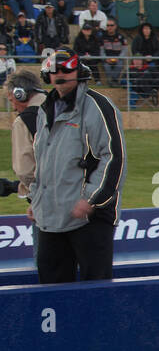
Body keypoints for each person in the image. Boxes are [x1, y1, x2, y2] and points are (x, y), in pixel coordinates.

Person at [28, 50, 126, 283]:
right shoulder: (44, 110)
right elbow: (41, 160)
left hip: (89, 217)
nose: (61, 75)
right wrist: (35, 200)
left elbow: (114, 157)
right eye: (55, 71)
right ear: (47, 75)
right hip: (51, 218)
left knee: (96, 289)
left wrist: (90, 199)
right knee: (52, 290)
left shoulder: (99, 106)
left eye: (67, 70)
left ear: (79, 72)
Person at [5, 70, 44, 199]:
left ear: (20, 95)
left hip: (46, 197)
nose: (14, 107)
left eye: (12, 100)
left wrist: (30, 193)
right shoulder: (63, 107)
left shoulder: (23, 121)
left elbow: (25, 171)